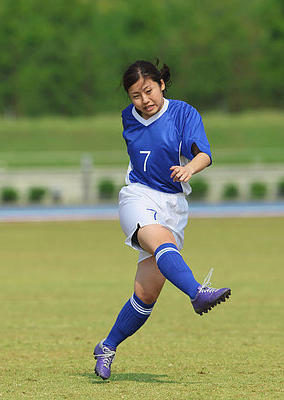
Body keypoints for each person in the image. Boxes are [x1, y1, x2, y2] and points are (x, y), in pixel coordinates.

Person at [93, 60, 232, 380]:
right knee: (163, 244)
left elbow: (204, 153)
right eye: (135, 95)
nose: (144, 100)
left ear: (162, 85)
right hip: (138, 197)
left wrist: (189, 169)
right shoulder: (128, 117)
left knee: (145, 296)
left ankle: (107, 346)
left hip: (173, 205)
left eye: (148, 90)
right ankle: (198, 293)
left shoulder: (184, 112)